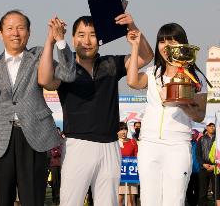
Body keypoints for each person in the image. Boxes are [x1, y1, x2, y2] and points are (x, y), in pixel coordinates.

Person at [0, 10, 76, 206]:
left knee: (32, 199)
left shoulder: (38, 56)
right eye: (10, 28)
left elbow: (68, 74)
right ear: (0, 33)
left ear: (29, 33)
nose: (15, 33)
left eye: (21, 28)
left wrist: (60, 41)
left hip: (33, 136)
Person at [38, 13, 153, 205]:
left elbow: (146, 56)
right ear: (73, 39)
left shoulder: (111, 64)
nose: (87, 40)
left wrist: (132, 26)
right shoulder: (66, 68)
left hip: (110, 145)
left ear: (99, 39)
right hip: (77, 146)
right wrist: (50, 40)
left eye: (92, 34)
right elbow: (44, 80)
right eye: (81, 35)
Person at [126, 23, 208, 206]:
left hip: (178, 146)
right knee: (149, 200)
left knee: (174, 200)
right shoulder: (153, 73)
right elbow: (131, 81)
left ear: (182, 44)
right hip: (149, 144)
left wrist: (179, 101)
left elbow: (200, 115)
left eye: (171, 40)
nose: (166, 45)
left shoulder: (197, 78)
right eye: (161, 41)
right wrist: (134, 47)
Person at [117, 122, 138, 206]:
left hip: (130, 175)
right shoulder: (114, 143)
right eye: (120, 129)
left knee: (131, 202)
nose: (123, 132)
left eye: (125, 129)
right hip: (118, 175)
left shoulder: (133, 142)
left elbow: (137, 157)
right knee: (119, 201)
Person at [197, 122, 216, 205]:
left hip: (215, 167)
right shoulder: (201, 139)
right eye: (210, 126)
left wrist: (215, 166)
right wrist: (203, 164)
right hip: (204, 167)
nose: (212, 127)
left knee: (217, 190)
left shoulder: (218, 139)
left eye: (213, 126)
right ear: (206, 127)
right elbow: (198, 154)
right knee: (202, 191)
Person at [49, 127, 64, 205]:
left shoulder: (62, 141)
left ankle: (60, 198)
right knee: (55, 182)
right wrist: (60, 150)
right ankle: (55, 198)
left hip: (62, 164)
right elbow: (53, 153)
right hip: (54, 165)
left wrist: (58, 150)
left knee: (62, 182)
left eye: (59, 131)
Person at [187, 129, 201, 206]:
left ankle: (195, 202)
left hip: (198, 170)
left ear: (197, 135)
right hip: (188, 171)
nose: (192, 136)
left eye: (194, 134)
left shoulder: (199, 144)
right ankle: (190, 202)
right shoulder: (186, 144)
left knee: (197, 188)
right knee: (189, 188)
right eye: (191, 134)